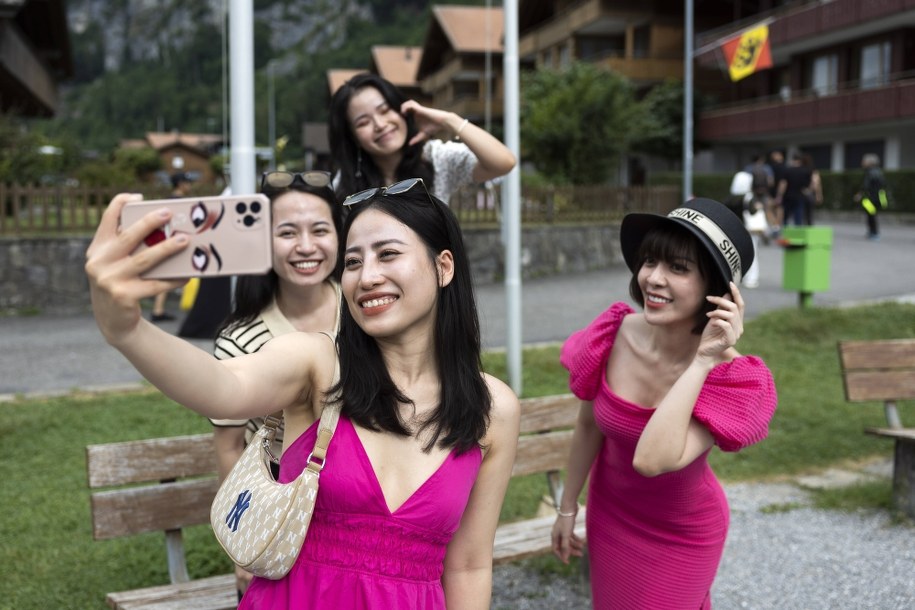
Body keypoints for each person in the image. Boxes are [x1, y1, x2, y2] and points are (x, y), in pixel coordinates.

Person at [84, 179, 521, 609]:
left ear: (444, 267)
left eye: (388, 254)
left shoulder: (493, 408)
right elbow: (223, 387)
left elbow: (468, 565)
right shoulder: (318, 363)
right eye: (352, 262)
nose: (367, 276)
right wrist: (127, 330)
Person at [550, 198, 778, 609]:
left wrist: (703, 360)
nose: (654, 278)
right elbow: (588, 427)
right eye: (651, 261)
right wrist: (568, 508)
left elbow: (651, 459)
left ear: (716, 291)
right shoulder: (612, 333)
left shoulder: (731, 378)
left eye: (678, 268)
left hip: (682, 531)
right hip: (611, 514)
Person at [209, 170, 343, 598]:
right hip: (285, 526)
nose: (306, 246)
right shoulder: (239, 340)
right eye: (287, 232)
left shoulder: (369, 310)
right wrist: (241, 549)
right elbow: (231, 447)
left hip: (364, 517)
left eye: (320, 229)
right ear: (263, 242)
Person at [328, 73, 515, 205]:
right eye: (363, 122)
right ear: (353, 138)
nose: (380, 124)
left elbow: (503, 162)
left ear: (401, 110)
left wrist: (448, 120)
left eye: (385, 111)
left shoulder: (436, 158)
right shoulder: (345, 183)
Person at [149, 172, 193, 322]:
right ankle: (158, 311)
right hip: (174, 242)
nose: (190, 185)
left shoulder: (168, 200)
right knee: (166, 277)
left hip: (167, 241)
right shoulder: (179, 202)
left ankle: (158, 310)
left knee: (166, 276)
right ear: (181, 183)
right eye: (187, 182)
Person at [855, 153, 889, 240]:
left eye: (864, 161)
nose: (862, 163)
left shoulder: (870, 172)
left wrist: (860, 194)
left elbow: (866, 185)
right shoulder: (879, 171)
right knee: (872, 214)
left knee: (871, 215)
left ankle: (873, 232)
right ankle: (873, 232)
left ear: (870, 162)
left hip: (870, 198)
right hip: (878, 197)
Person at [776, 153, 813, 227]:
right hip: (800, 196)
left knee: (786, 216)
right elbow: (811, 184)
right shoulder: (805, 171)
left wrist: (779, 196)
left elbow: (783, 184)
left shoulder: (787, 170)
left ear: (793, 160)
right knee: (798, 216)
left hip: (788, 196)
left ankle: (785, 234)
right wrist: (808, 191)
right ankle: (797, 234)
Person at [766, 150, 786, 237]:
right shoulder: (784, 167)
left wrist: (779, 194)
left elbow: (781, 182)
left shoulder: (769, 167)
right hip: (778, 193)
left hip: (774, 192)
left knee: (770, 209)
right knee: (778, 209)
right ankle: (776, 227)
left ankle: (775, 227)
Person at [800, 154, 823, 225]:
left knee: (801, 213)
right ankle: (809, 227)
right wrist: (818, 195)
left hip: (799, 193)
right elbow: (816, 183)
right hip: (809, 193)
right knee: (809, 213)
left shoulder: (800, 169)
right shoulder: (813, 170)